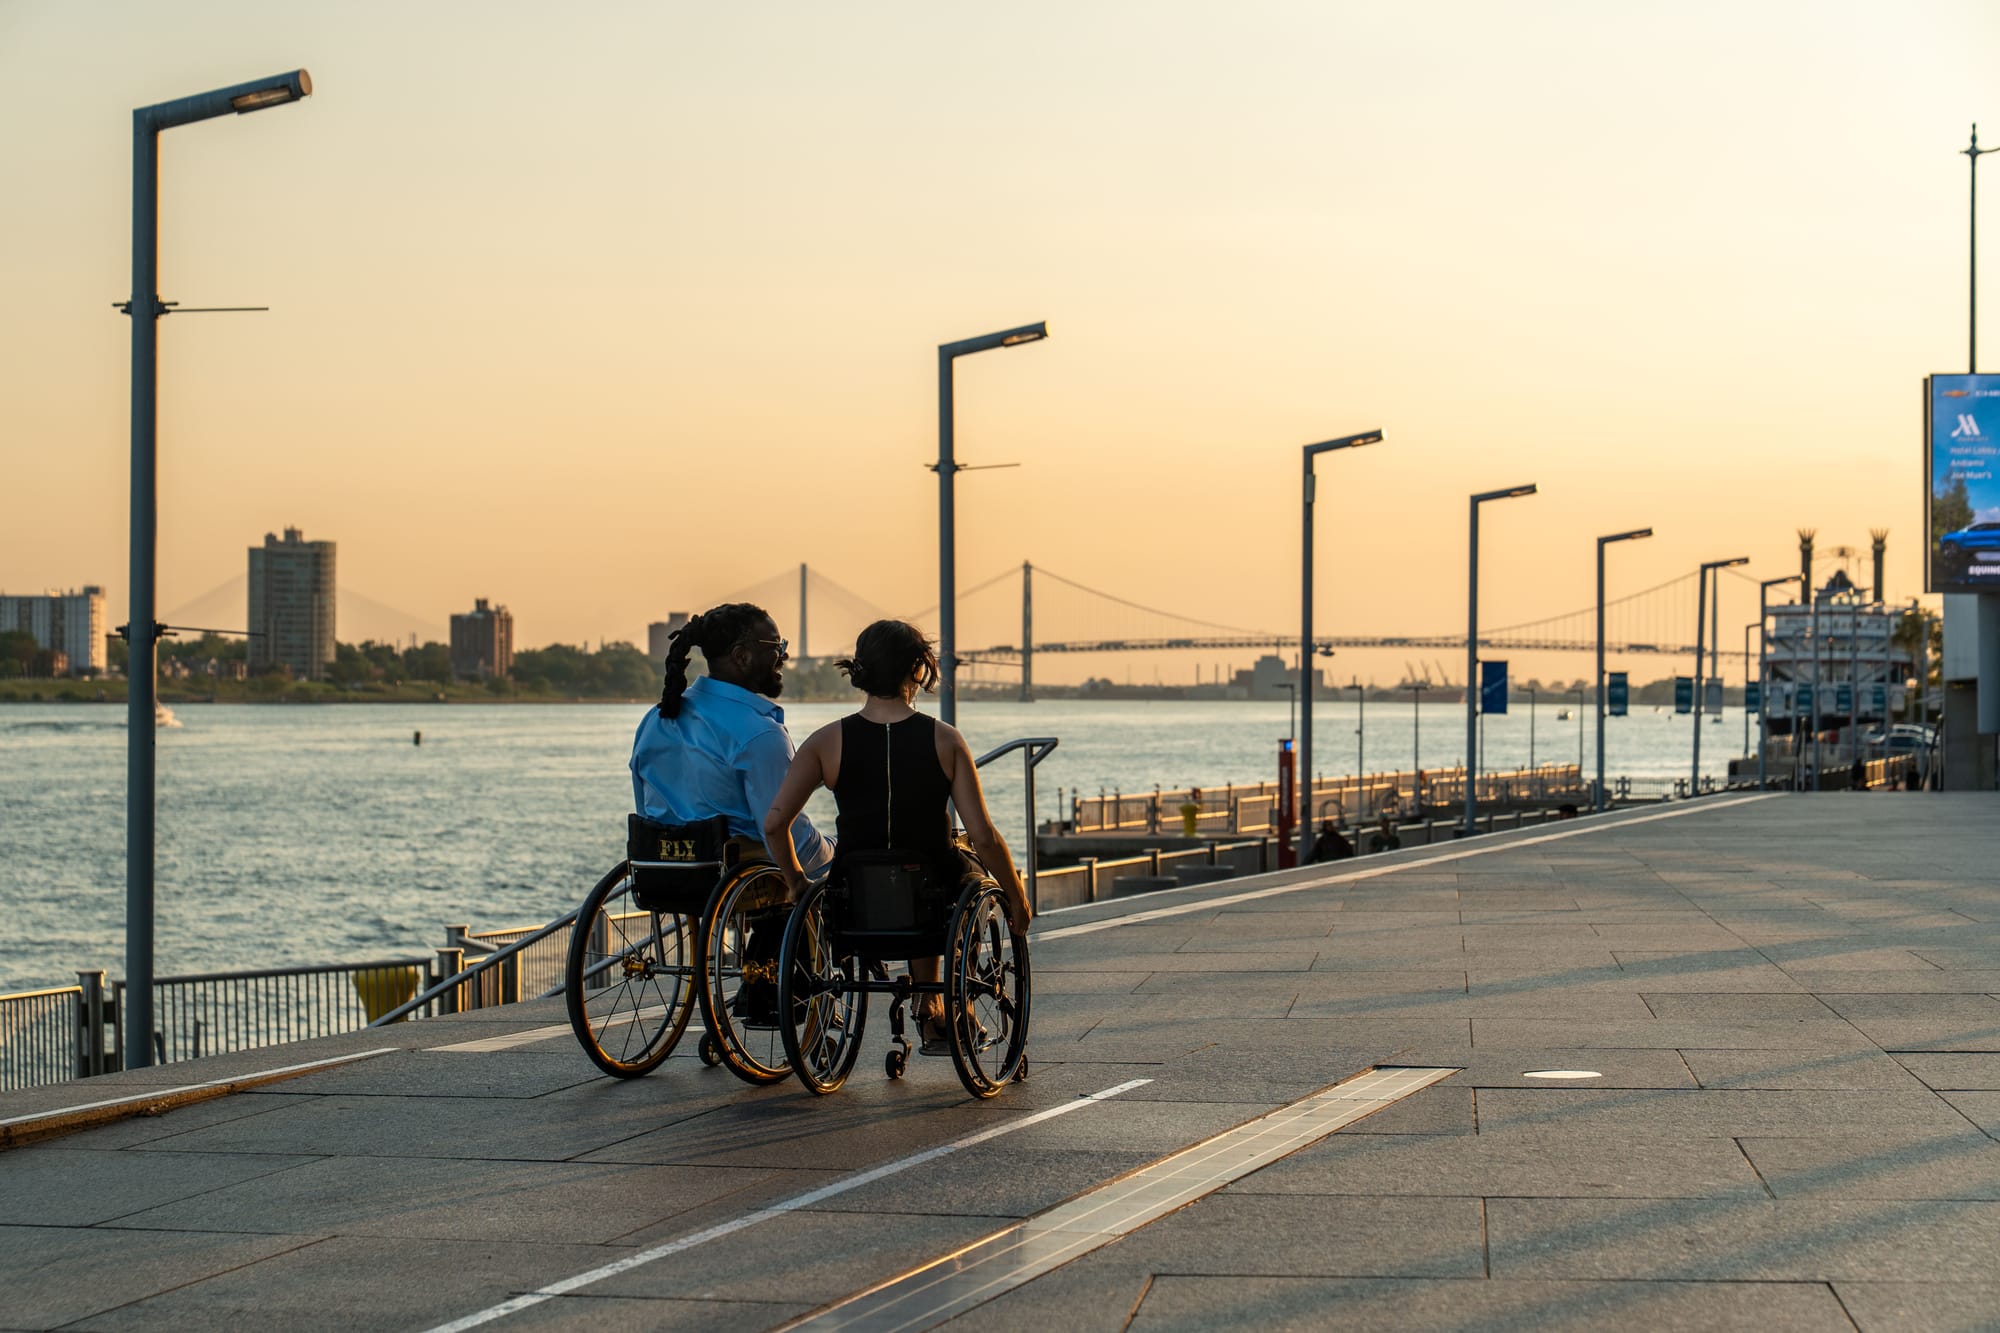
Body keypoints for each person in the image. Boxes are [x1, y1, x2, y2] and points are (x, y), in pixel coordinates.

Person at [764, 619, 1031, 1055]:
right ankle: (933, 1001)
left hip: (854, 903)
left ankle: (930, 1002)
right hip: (930, 903)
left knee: (911, 874)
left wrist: (796, 880)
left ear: (861, 671)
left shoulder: (827, 741)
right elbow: (983, 835)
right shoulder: (945, 740)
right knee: (951, 870)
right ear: (917, 670)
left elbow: (775, 823)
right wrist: (1016, 896)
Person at [629, 601, 832, 878]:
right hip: (737, 880)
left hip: (664, 876)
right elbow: (797, 848)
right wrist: (838, 847)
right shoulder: (760, 735)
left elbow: (646, 814)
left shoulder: (654, 719)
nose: (784, 656)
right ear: (742, 656)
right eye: (775, 647)